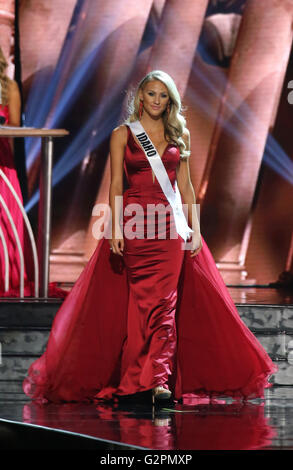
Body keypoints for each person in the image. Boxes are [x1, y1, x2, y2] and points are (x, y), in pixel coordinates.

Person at [22, 70, 277, 405]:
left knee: (164, 304)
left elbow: (185, 189)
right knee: (138, 306)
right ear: (140, 97)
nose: (157, 101)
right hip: (134, 224)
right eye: (151, 94)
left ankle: (157, 381)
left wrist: (195, 231)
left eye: (163, 96)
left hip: (170, 227)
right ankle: (135, 375)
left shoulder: (178, 135)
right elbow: (116, 185)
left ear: (169, 101)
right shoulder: (122, 134)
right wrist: (114, 228)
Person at [0, 46, 67, 298]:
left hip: (2, 166)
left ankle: (7, 277)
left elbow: (16, 127)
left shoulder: (9, 88)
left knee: (4, 225)